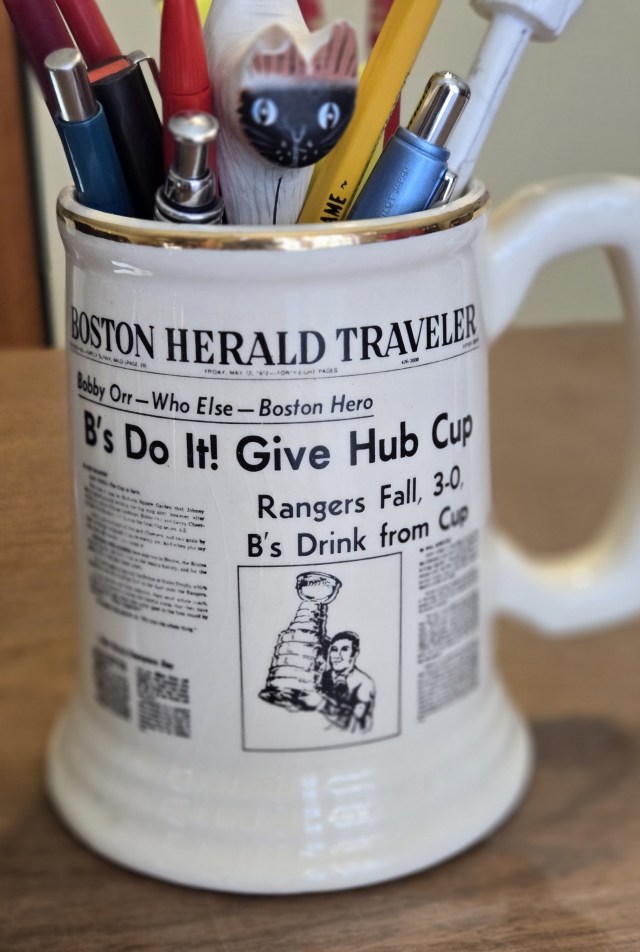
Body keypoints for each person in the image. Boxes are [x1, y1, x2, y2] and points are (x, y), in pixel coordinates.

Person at [319, 631, 375, 732]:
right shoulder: (322, 675)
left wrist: (321, 703)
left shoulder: (363, 683)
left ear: (355, 653)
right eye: (334, 650)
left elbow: (357, 720)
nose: (337, 655)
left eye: (344, 649)